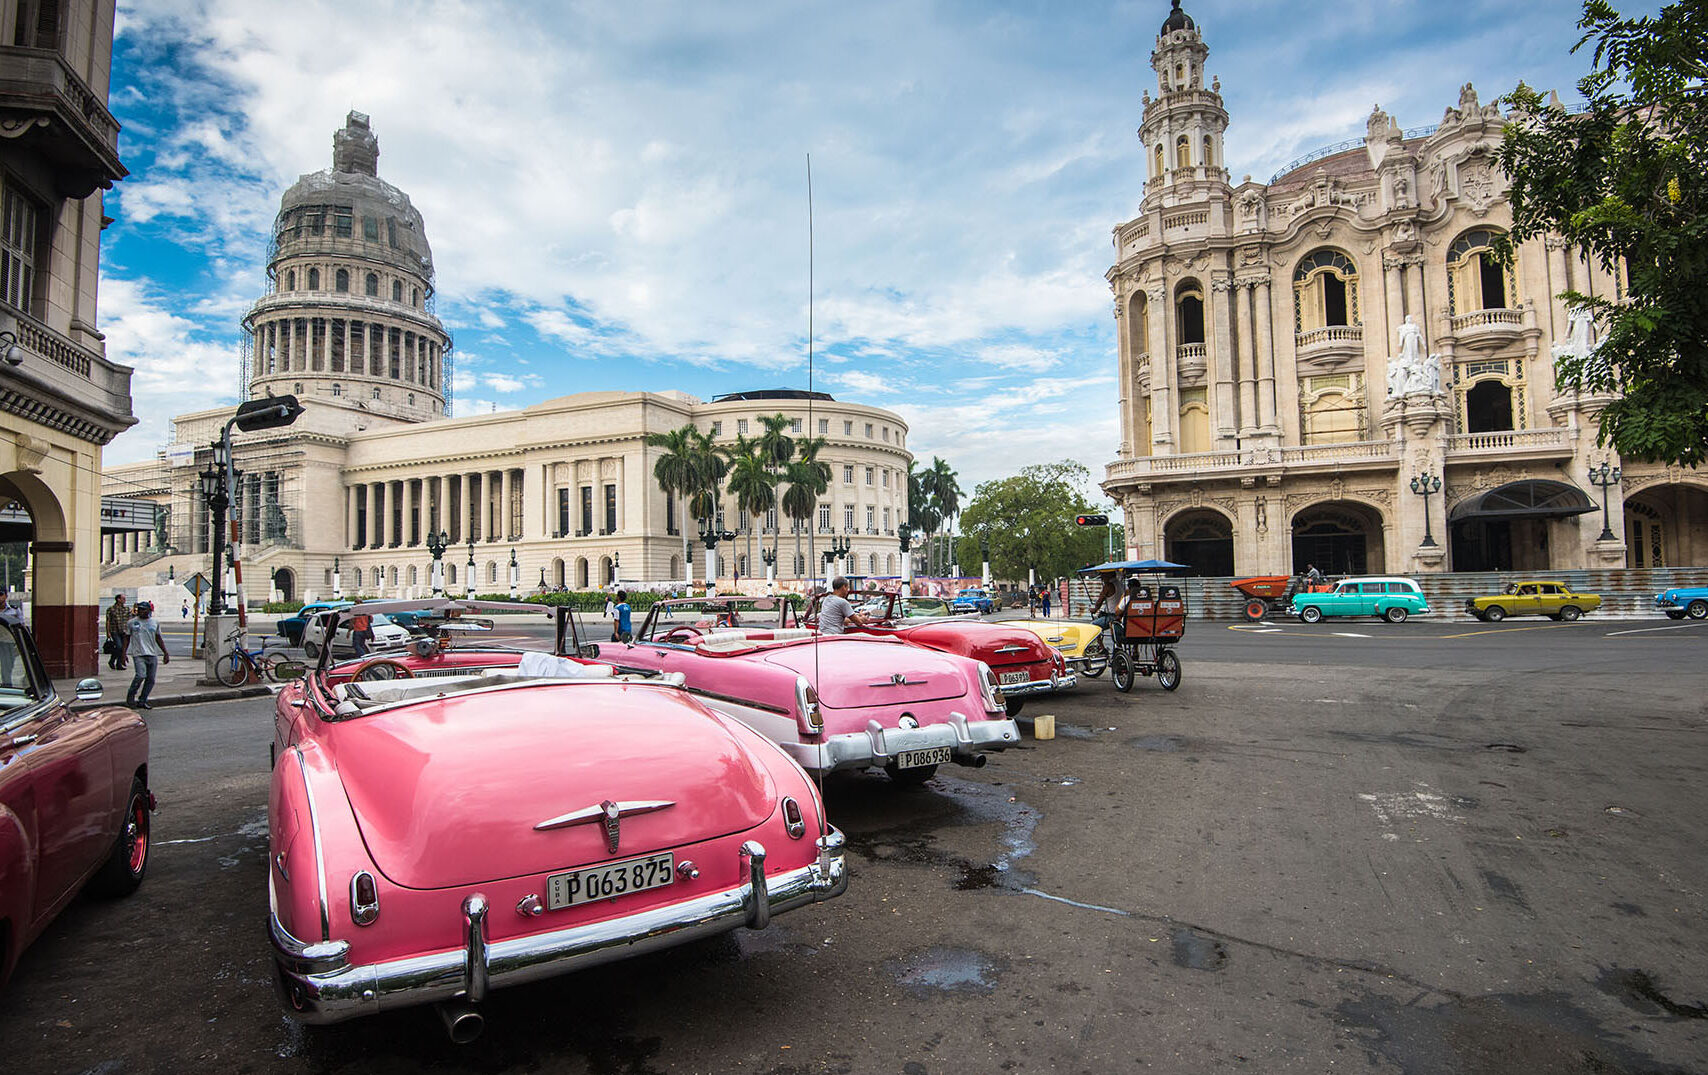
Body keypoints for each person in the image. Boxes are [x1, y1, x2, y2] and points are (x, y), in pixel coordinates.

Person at [125, 601, 169, 710]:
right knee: (140, 675)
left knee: (151, 679)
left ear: (149, 610)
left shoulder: (154, 622)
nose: (141, 611)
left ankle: (143, 700)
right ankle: (131, 696)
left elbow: (158, 638)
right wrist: (123, 654)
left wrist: (165, 652)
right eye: (139, 609)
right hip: (138, 653)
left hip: (152, 654)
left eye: (144, 609)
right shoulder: (132, 623)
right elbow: (127, 638)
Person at [105, 593, 129, 670]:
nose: (124, 600)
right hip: (114, 630)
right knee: (119, 646)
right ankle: (112, 660)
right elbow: (108, 621)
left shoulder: (126, 609)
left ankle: (119, 663)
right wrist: (108, 632)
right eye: (123, 599)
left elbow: (130, 618)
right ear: (118, 599)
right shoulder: (111, 609)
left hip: (124, 631)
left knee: (122, 648)